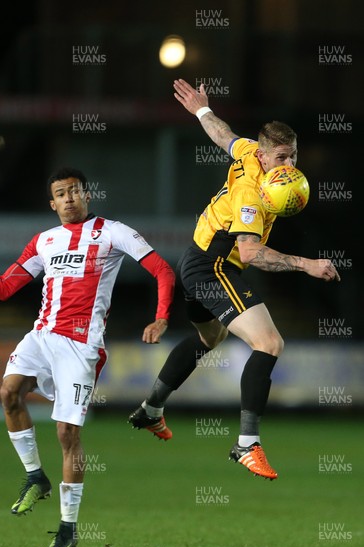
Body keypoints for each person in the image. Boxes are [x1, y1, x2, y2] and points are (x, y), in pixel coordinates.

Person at [0, 167, 175, 547]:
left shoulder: (113, 232)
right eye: (60, 193)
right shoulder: (44, 241)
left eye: (74, 191)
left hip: (81, 346)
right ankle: (35, 477)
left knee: (66, 433)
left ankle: (68, 528)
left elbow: (162, 269)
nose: (68, 198)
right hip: (41, 337)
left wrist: (161, 316)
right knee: (9, 392)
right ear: (52, 203)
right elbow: (6, 286)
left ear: (86, 196)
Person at [129, 79, 340, 480]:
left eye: (292, 156)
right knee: (269, 342)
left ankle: (151, 409)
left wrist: (201, 110)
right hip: (212, 267)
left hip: (194, 257)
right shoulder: (251, 195)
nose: (289, 166)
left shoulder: (248, 152)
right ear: (264, 154)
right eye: (281, 157)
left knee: (211, 338)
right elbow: (251, 253)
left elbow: (223, 134)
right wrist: (307, 265)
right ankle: (247, 444)